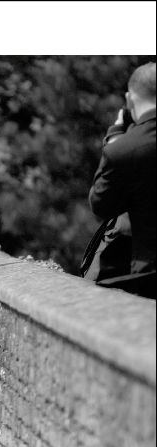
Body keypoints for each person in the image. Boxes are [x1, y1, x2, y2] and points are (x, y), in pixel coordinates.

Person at [87, 61, 156, 299]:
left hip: (150, 276)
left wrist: (114, 141)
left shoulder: (123, 150)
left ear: (129, 100)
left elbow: (101, 205)